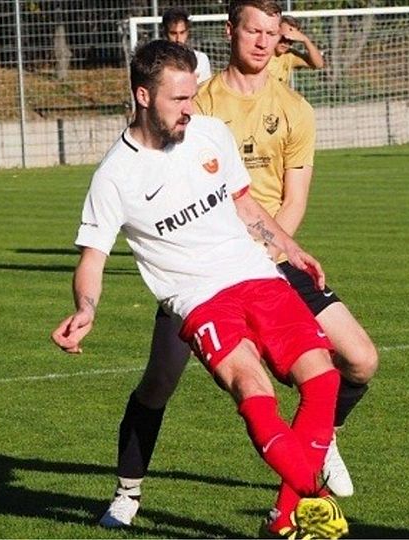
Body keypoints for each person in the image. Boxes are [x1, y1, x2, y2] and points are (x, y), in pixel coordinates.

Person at [99, 1, 378, 536]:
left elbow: (292, 199)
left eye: (273, 33)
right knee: (158, 383)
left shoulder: (295, 108)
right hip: (197, 272)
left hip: (268, 257)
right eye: (253, 30)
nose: (263, 41)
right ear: (231, 32)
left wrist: (276, 253)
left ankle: (317, 441)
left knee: (359, 359)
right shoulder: (194, 100)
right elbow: (146, 157)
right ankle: (127, 493)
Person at [268, 14, 324, 86]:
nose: (286, 43)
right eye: (284, 38)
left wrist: (305, 40)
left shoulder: (289, 55)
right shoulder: (259, 54)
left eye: (291, 41)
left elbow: (318, 64)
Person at [162, 7, 212, 84]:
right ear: (165, 33)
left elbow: (205, 91)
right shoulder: (158, 61)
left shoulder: (201, 59)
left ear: (187, 32)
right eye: (173, 33)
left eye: (182, 32)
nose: (178, 39)